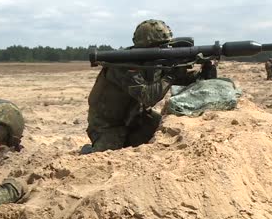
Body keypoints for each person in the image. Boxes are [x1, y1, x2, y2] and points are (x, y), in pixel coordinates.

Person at [85, 19, 215, 153]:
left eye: (167, 46)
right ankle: (88, 150)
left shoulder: (153, 62)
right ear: (146, 47)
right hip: (108, 125)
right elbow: (149, 97)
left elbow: (179, 78)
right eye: (160, 47)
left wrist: (203, 73)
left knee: (163, 132)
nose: (166, 50)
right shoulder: (124, 65)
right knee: (109, 153)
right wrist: (171, 74)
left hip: (135, 117)